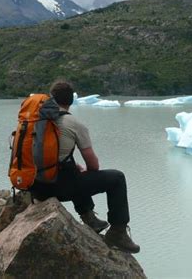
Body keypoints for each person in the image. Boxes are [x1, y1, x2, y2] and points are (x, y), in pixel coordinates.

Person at [29, 79, 140, 254]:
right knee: (117, 178)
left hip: (34, 188)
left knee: (73, 170)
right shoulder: (74, 124)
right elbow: (94, 165)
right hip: (58, 189)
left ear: (51, 98)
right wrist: (84, 169)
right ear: (71, 100)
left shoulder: (33, 120)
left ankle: (89, 218)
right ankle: (117, 232)